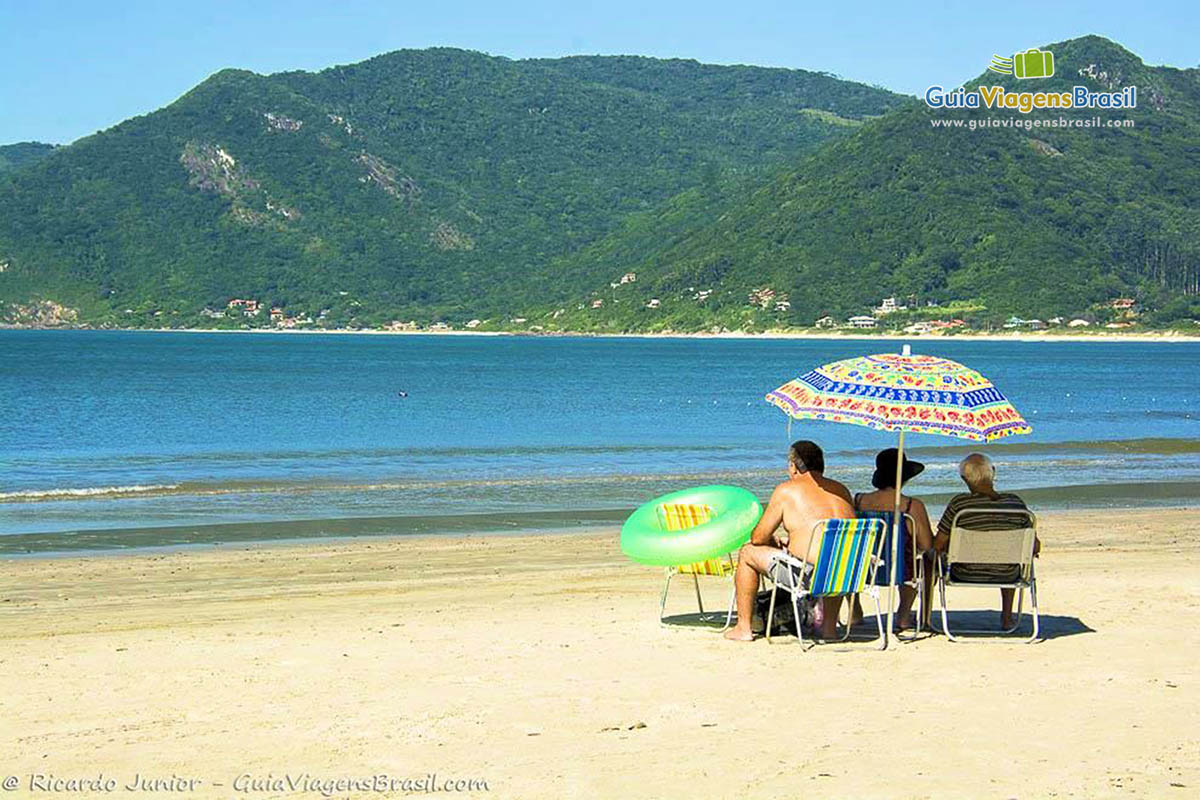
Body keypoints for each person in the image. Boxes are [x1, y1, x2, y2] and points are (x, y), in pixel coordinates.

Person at [724, 440, 855, 642]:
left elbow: (758, 538)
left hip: (810, 576)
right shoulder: (841, 491)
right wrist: (791, 542)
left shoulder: (787, 490)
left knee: (747, 552)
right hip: (848, 572)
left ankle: (743, 627)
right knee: (834, 557)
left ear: (793, 466)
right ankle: (829, 629)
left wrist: (774, 542)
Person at [934, 453, 1040, 630]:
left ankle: (925, 618)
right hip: (1007, 574)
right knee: (1008, 558)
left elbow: (938, 544)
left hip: (963, 572)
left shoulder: (959, 505)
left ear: (963, 479)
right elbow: (1034, 546)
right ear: (994, 473)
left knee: (930, 558)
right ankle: (1007, 619)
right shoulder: (1015, 503)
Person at [853, 448, 934, 632]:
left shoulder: (858, 501)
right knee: (917, 558)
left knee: (852, 555)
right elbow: (926, 545)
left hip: (864, 568)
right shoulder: (911, 506)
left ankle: (855, 612)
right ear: (904, 476)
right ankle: (904, 615)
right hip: (900, 570)